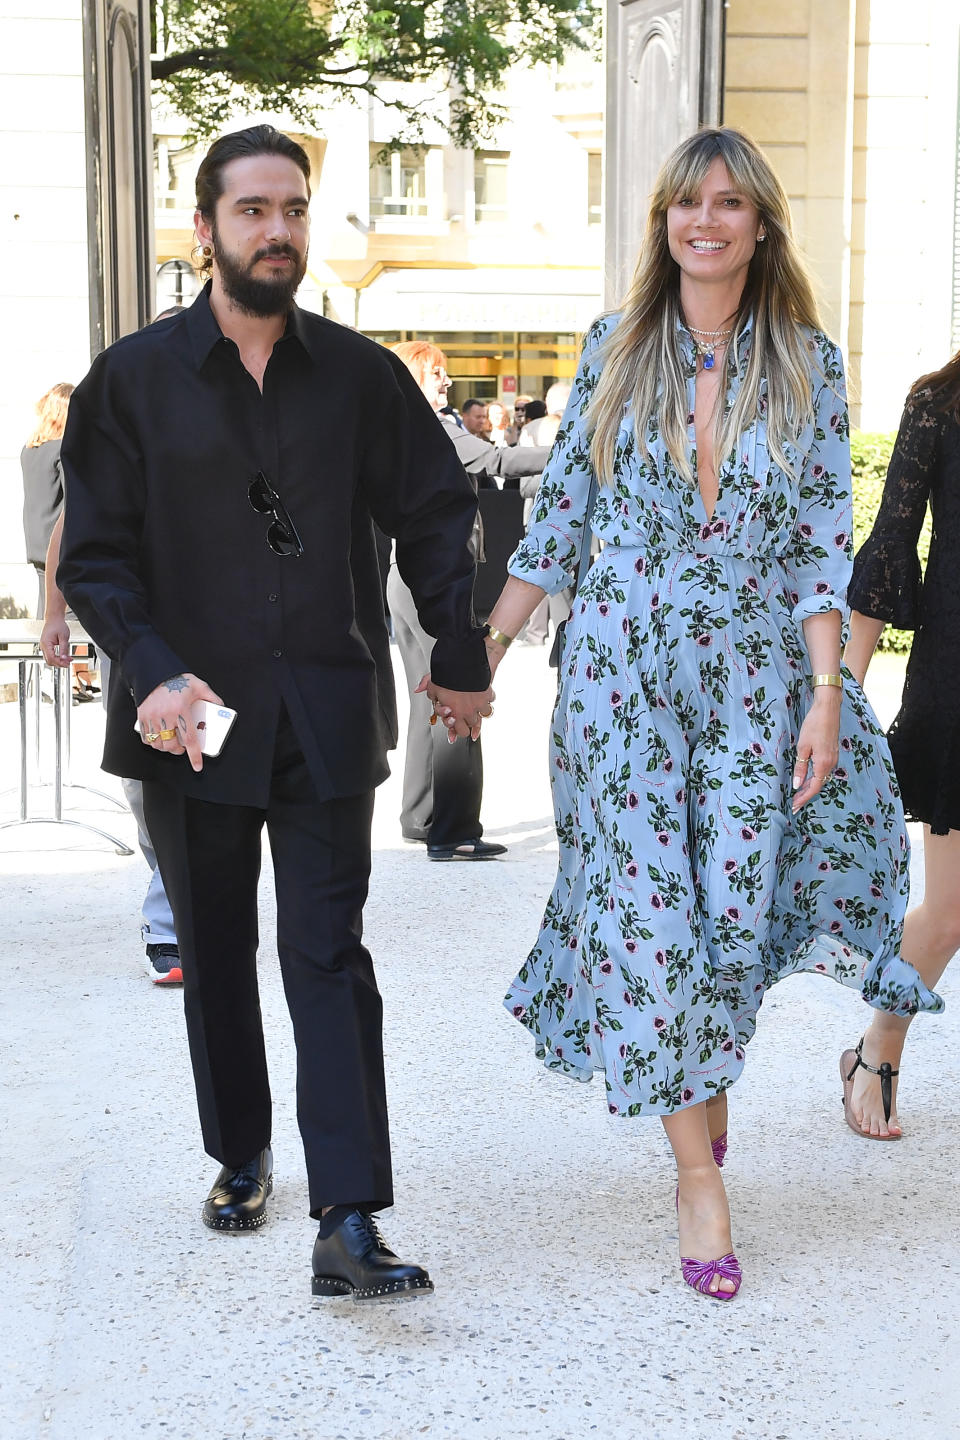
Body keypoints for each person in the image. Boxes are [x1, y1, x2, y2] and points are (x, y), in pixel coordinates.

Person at [480, 126, 941, 1301]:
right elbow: (559, 529)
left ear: (761, 225)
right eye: (689, 202)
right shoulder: (611, 350)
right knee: (650, 918)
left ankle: (700, 1083)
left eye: (730, 203)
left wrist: (830, 696)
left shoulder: (810, 367)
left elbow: (817, 551)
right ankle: (699, 1178)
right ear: (665, 224)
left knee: (729, 922)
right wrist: (474, 654)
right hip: (622, 692)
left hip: (751, 690)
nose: (707, 220)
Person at [58, 124, 493, 1300]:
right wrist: (150, 668)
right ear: (205, 230)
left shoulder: (360, 376)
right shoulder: (131, 381)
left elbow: (436, 507)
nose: (277, 231)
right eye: (252, 211)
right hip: (186, 719)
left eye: (293, 209)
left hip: (325, 709)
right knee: (215, 948)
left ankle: (348, 1214)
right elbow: (93, 559)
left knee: (328, 953)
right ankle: (242, 1152)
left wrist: (456, 648)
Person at [842, 354, 960, 1139]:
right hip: (958, 678)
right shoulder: (940, 404)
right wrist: (840, 695)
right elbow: (890, 546)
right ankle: (878, 1044)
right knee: (950, 912)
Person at [386, 340, 549, 859]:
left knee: (424, 697)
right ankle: (453, 829)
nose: (446, 383)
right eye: (437, 375)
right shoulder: (432, 427)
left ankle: (420, 816)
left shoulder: (410, 426)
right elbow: (497, 458)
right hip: (429, 580)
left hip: (404, 578)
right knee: (457, 688)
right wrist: (575, 452)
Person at [41, 510, 183, 985]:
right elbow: (70, 525)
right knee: (142, 776)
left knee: (201, 762)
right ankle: (177, 899)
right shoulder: (110, 437)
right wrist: (54, 614)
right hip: (124, 622)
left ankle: (173, 921)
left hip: (208, 615)